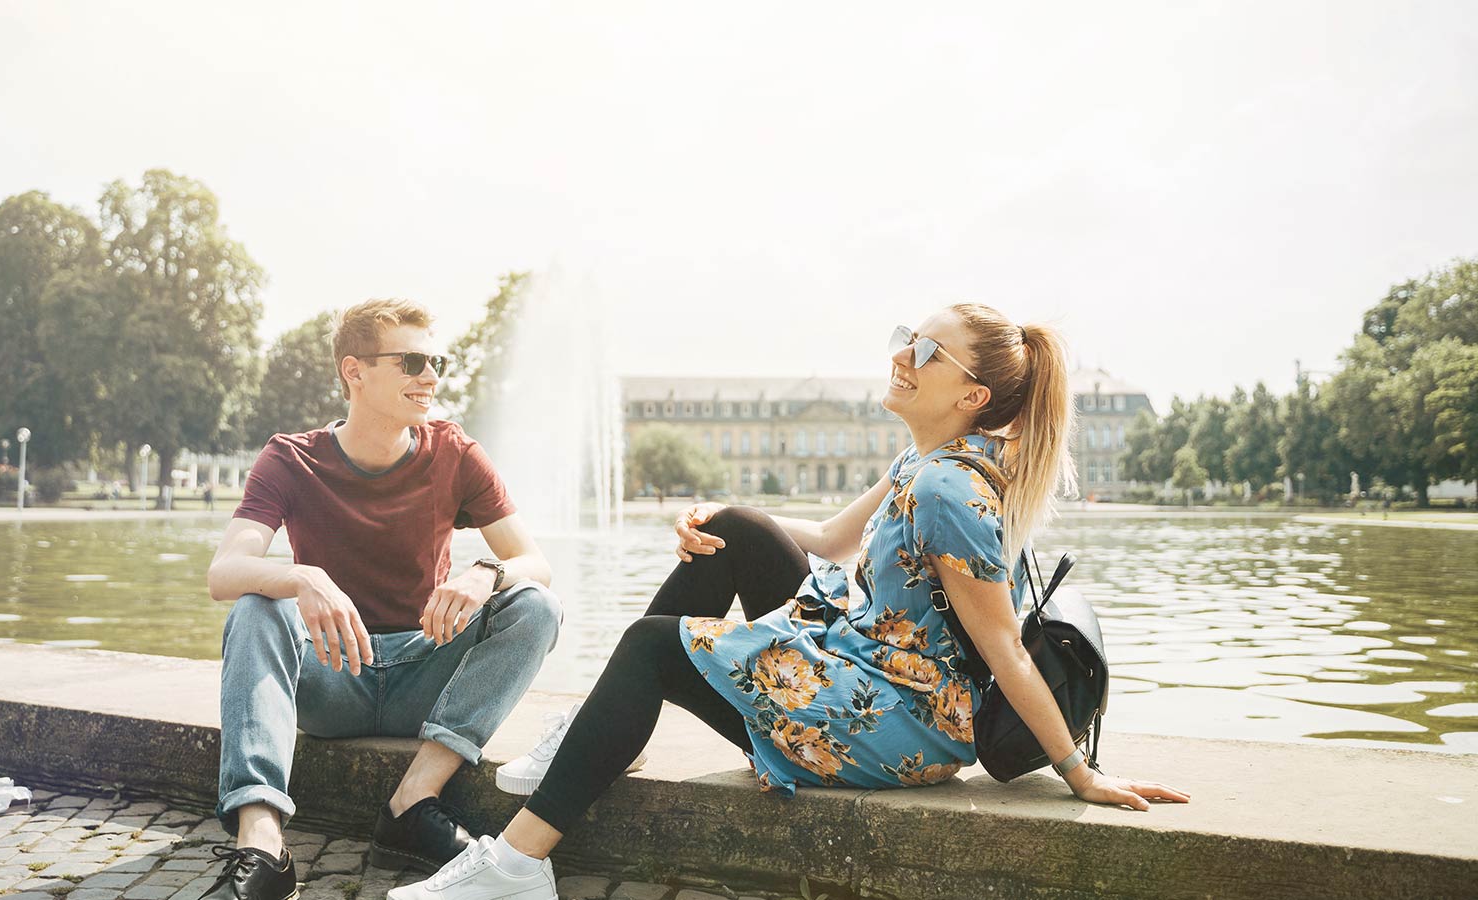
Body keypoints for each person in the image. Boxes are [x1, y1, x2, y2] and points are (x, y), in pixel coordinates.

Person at [390, 304, 1190, 900]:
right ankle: (601, 728)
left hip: (897, 721)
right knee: (737, 529)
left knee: (650, 650)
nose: (902, 354)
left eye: (925, 349)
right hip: (868, 667)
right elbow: (834, 540)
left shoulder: (948, 486)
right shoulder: (929, 459)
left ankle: (517, 864)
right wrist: (714, 517)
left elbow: (1006, 648)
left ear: (972, 395)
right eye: (907, 337)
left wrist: (1078, 772)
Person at [200, 298, 563, 900]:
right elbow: (225, 572)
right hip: (332, 678)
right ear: (355, 371)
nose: (431, 377)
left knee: (535, 605)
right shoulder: (291, 458)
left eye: (435, 361)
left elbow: (537, 565)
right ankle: (261, 842)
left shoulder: (455, 452)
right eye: (413, 361)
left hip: (428, 671)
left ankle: (412, 804)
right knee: (256, 606)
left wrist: (485, 570)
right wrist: (301, 577)